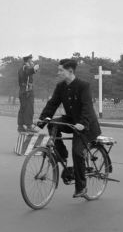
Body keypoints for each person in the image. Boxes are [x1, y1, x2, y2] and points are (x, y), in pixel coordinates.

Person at [37, 58, 101, 198]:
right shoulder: (61, 87)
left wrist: (83, 123)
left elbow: (87, 107)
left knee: (77, 152)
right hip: (72, 120)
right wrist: (42, 120)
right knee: (53, 123)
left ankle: (81, 187)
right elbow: (53, 103)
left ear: (70, 71)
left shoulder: (84, 86)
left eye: (61, 70)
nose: (58, 72)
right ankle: (62, 155)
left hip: (86, 125)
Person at [17, 54, 40, 132]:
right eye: (31, 60)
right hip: (27, 91)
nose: (32, 61)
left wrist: (32, 69)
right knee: (29, 108)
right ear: (28, 60)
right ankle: (29, 126)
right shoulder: (25, 67)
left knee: (23, 108)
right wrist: (34, 69)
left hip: (23, 90)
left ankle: (20, 126)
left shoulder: (23, 67)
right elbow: (28, 72)